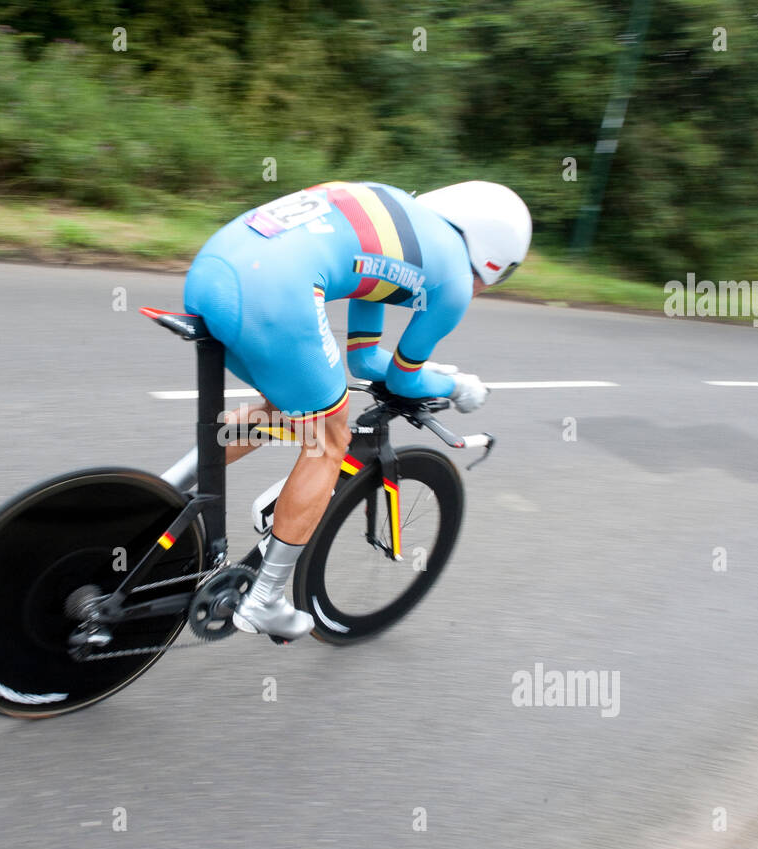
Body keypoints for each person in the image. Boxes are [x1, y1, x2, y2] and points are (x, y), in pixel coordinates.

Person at [175, 180, 531, 641]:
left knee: (287, 406)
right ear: (493, 257)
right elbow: (404, 379)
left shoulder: (406, 227)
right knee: (328, 439)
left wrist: (424, 371)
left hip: (213, 273)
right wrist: (457, 385)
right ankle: (264, 599)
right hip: (273, 294)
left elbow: (364, 358)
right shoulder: (456, 282)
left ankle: (160, 493)